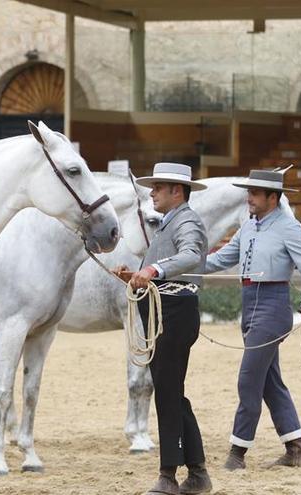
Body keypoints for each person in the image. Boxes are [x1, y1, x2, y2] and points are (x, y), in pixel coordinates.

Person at [204, 168, 301, 470]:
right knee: (269, 381)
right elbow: (221, 259)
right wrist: (177, 266)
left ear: (273, 197)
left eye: (255, 193)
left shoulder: (289, 227)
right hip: (250, 305)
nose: (249, 198)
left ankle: (237, 453)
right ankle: (295, 449)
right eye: (249, 192)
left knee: (248, 380)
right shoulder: (249, 227)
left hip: (272, 307)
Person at [116, 162, 212, 495]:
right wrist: (138, 276)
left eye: (158, 187)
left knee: (169, 393)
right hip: (164, 311)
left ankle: (169, 475)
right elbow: (171, 266)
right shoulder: (171, 222)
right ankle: (197, 473)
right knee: (171, 392)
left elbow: (190, 255)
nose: (152, 193)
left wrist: (153, 270)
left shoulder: (187, 221)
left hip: (174, 313)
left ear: (176, 190)